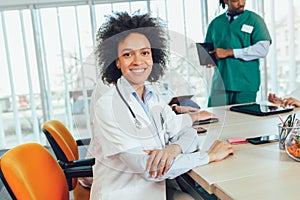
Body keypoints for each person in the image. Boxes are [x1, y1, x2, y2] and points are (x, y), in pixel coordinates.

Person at [88, 12, 234, 200]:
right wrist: (208, 156)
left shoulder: (152, 96)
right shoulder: (108, 105)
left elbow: (186, 131)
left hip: (154, 191)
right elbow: (150, 169)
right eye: (127, 54)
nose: (138, 61)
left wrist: (173, 150)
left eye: (145, 53)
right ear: (116, 62)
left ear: (153, 57)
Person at [205, 0, 272, 106]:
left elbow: (262, 49)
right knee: (214, 119)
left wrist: (229, 52)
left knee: (243, 120)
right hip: (220, 84)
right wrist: (207, 59)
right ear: (225, 1)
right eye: (236, 0)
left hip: (245, 85)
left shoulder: (254, 20)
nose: (241, 3)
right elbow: (207, 51)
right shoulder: (215, 23)